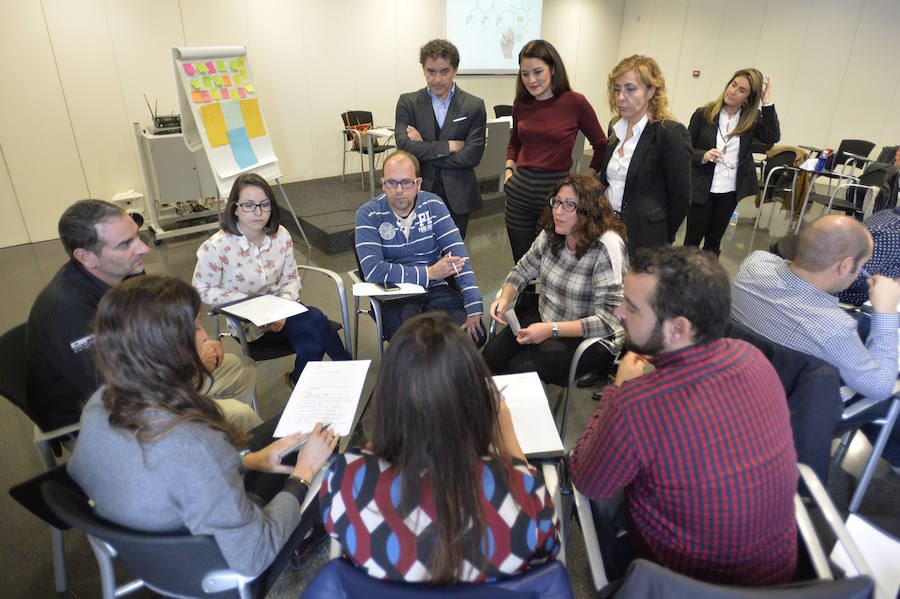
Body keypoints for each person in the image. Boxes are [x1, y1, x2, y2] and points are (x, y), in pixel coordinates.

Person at [67, 275, 339, 589]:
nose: (206, 337)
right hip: (211, 568)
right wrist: (304, 472)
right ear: (172, 347)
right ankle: (304, 536)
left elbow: (172, 473)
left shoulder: (100, 403)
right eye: (197, 327)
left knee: (277, 437)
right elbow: (255, 553)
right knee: (327, 459)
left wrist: (247, 462)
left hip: (142, 546)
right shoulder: (197, 442)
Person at [569, 246, 797, 585]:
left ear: (678, 328)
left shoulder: (634, 405)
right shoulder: (754, 358)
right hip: (780, 580)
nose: (618, 312)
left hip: (680, 586)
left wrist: (617, 391)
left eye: (631, 307)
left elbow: (587, 481)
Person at [318, 312, 559, 583]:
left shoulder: (345, 480)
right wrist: (507, 439)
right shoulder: (524, 495)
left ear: (387, 399)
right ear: (475, 400)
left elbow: (342, 540)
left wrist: (382, 444)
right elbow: (545, 555)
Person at [26, 199, 259, 432]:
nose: (143, 248)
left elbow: (157, 324)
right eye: (125, 244)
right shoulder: (66, 312)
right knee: (239, 417)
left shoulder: (125, 269)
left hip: (143, 377)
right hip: (101, 417)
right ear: (86, 257)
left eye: (137, 236)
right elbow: (115, 395)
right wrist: (191, 365)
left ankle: (211, 445)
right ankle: (212, 444)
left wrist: (198, 344)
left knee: (241, 368)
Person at [731, 214, 900, 469]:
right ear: (845, 266)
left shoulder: (754, 265)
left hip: (741, 379)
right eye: (862, 266)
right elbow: (879, 387)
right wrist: (885, 314)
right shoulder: (834, 328)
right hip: (798, 408)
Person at [192, 173, 350, 386]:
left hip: (286, 312)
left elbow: (291, 279)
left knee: (313, 333)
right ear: (235, 208)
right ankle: (348, 370)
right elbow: (201, 288)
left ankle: (310, 378)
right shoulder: (217, 246)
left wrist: (281, 312)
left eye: (264, 205)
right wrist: (255, 307)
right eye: (249, 205)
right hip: (248, 324)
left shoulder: (281, 235)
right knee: (316, 324)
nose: (258, 212)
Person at [483, 175, 627, 382]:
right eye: (557, 202)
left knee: (518, 370)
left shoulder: (607, 246)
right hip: (548, 317)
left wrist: (551, 330)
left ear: (589, 211)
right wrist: (505, 298)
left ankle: (511, 411)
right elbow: (521, 271)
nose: (558, 211)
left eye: (569, 205)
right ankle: (491, 410)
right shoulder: (552, 232)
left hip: (588, 336)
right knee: (490, 357)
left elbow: (608, 322)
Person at [355, 150, 485, 344]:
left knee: (473, 336)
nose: (399, 190)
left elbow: (459, 257)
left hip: (435, 289)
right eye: (391, 183)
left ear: (418, 183)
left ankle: (445, 374)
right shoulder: (368, 213)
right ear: (382, 184)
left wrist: (473, 305)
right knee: (417, 345)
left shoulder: (434, 205)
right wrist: (430, 273)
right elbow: (374, 271)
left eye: (406, 182)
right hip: (392, 294)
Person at [504, 39, 607, 263]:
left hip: (555, 198)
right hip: (518, 194)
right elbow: (514, 142)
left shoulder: (575, 103)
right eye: (524, 74)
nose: (531, 80)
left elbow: (601, 145)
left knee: (553, 264)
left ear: (552, 69)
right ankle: (525, 299)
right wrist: (508, 173)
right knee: (522, 264)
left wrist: (582, 183)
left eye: (537, 72)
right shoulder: (521, 104)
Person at [598, 54, 691, 252]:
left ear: (651, 90)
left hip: (645, 237)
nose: (621, 97)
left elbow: (681, 196)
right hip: (606, 227)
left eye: (630, 89)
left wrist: (663, 237)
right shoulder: (615, 127)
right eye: (617, 89)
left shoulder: (670, 133)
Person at [394, 39, 486, 239]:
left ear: (455, 70)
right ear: (423, 70)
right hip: (417, 193)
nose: (437, 79)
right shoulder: (408, 103)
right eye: (431, 71)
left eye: (444, 71)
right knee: (418, 255)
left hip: (458, 196)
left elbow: (472, 156)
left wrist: (423, 150)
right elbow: (403, 146)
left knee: (453, 258)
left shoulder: (473, 106)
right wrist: (449, 146)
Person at [684, 68, 780, 255]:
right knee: (691, 242)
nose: (733, 91)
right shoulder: (704, 114)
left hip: (729, 191)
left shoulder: (751, 120)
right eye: (733, 84)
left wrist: (766, 102)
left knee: (713, 243)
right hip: (701, 187)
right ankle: (683, 282)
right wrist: (702, 156)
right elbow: (686, 149)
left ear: (749, 97)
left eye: (741, 90)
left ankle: (710, 283)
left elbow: (772, 136)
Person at [838, 206, 900, 306]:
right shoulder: (894, 237)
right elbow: (850, 277)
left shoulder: (887, 213)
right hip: (845, 305)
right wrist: (891, 285)